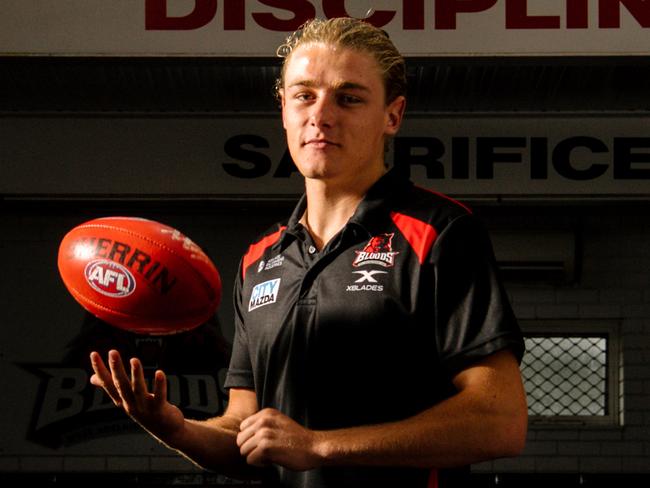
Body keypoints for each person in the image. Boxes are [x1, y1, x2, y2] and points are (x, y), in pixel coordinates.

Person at [90, 17, 527, 488]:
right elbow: (247, 432)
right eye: (304, 95)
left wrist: (320, 446)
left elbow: (499, 420)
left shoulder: (440, 233)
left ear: (392, 116)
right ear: (283, 110)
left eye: (349, 97)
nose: (321, 115)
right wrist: (173, 428)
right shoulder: (259, 259)